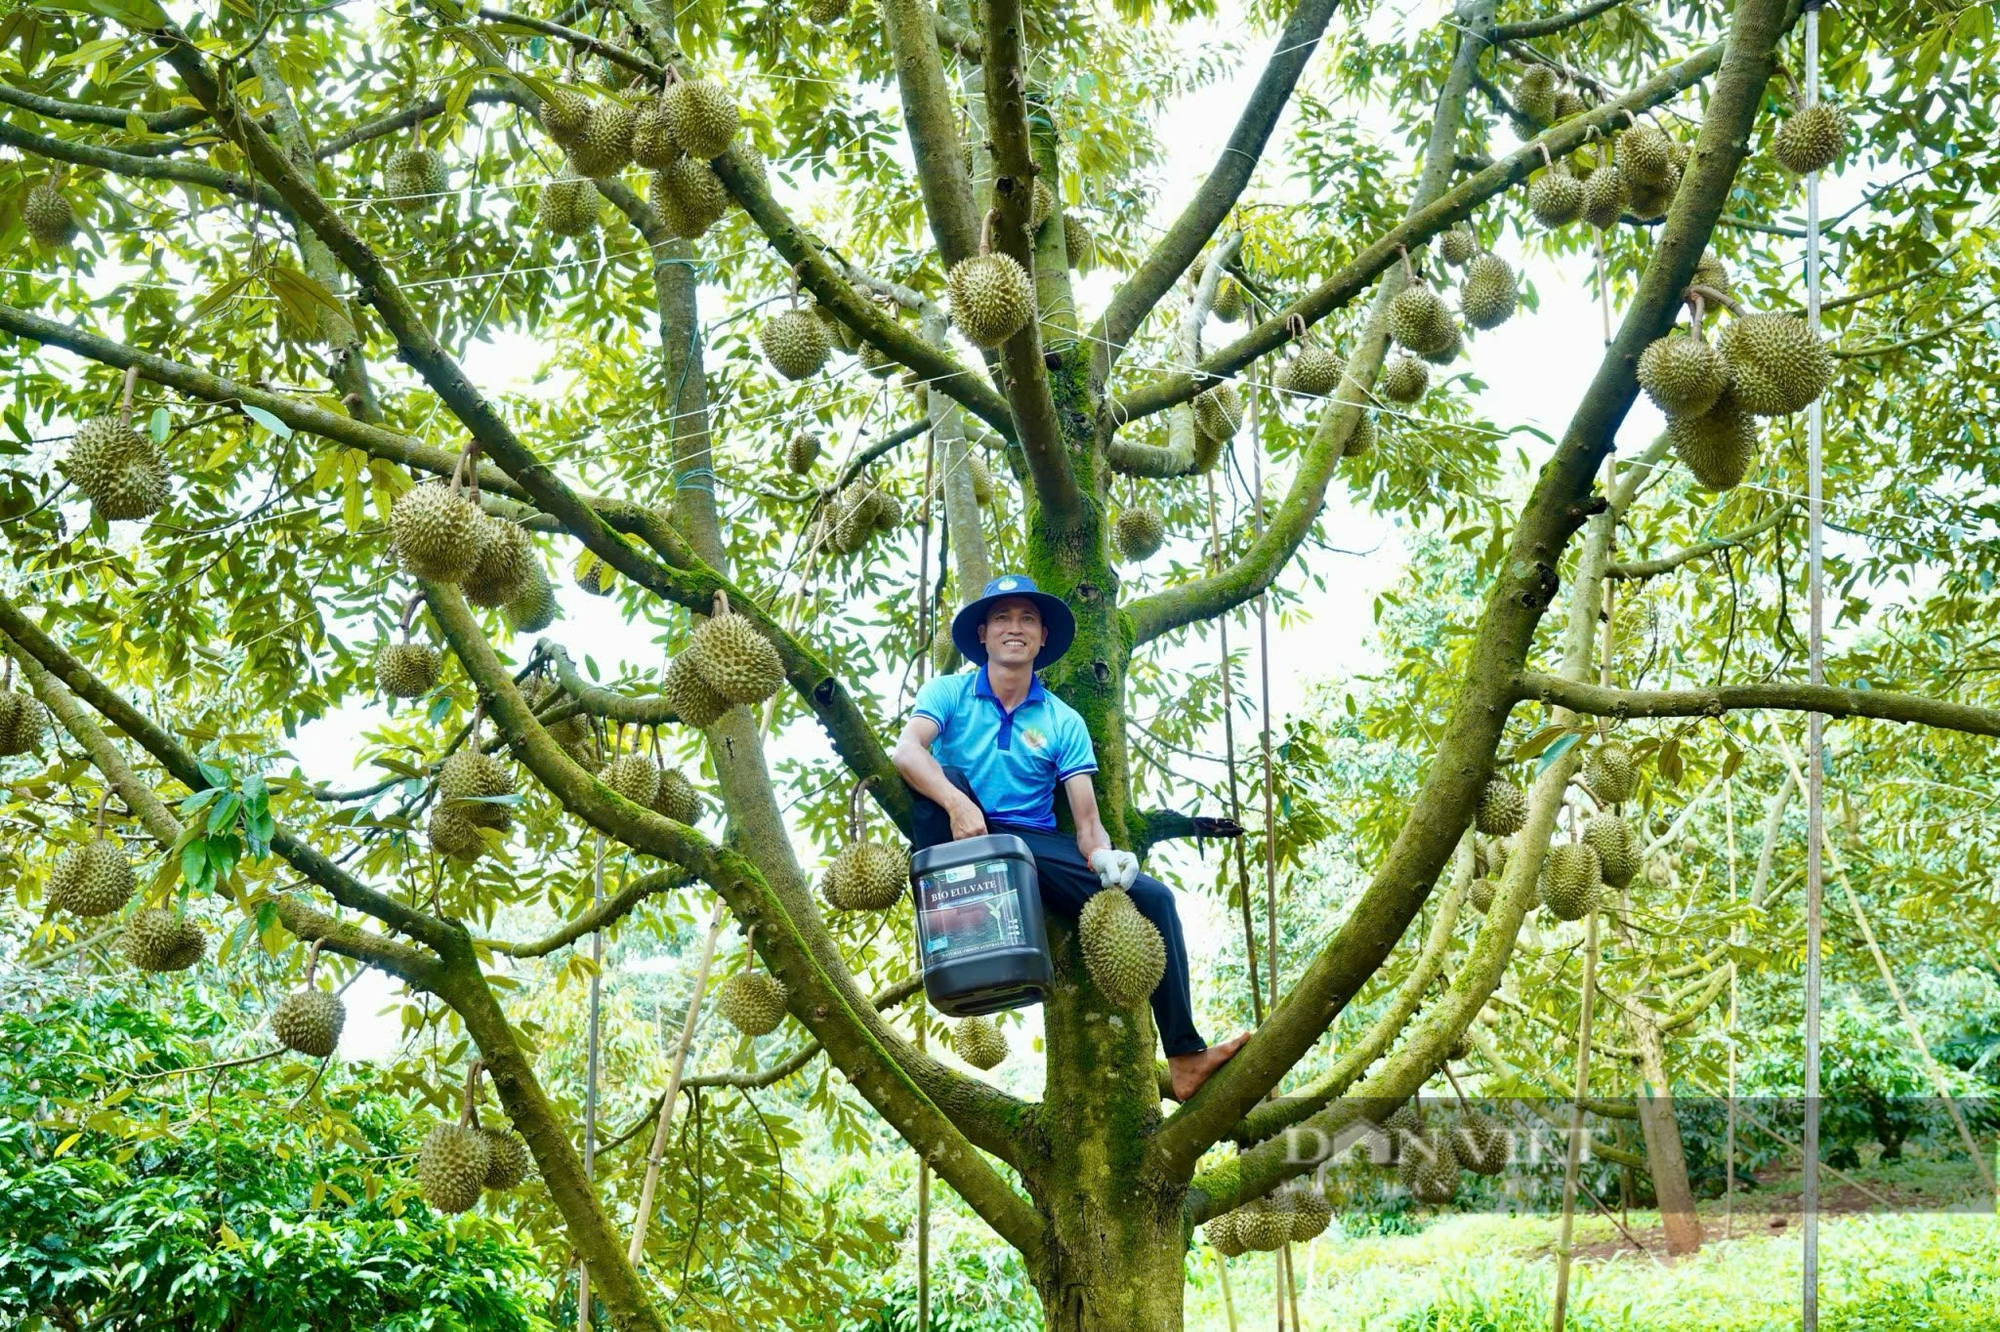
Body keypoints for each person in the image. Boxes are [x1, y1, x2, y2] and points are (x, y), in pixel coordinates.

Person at [893, 574, 1248, 1101]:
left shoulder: (1062, 721)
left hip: (1031, 847)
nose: (1016, 628)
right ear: (984, 635)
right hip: (956, 839)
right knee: (941, 779)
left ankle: (1184, 1057)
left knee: (1154, 898)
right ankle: (963, 945)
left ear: (1041, 639)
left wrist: (1105, 857)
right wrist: (958, 804)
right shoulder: (948, 693)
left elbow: (1085, 822)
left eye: (1028, 619)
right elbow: (906, 752)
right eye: (1004, 619)